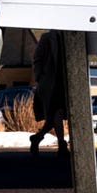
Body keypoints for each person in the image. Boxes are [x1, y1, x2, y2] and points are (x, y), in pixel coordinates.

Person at [29, 30, 69, 158]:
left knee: (53, 117)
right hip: (50, 83)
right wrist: (40, 77)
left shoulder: (71, 37)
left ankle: (37, 137)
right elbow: (37, 58)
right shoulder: (47, 38)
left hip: (65, 83)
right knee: (57, 113)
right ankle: (62, 146)